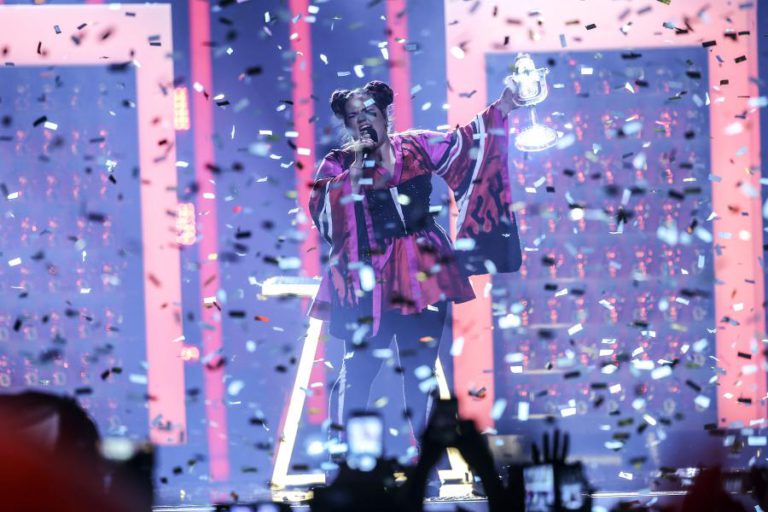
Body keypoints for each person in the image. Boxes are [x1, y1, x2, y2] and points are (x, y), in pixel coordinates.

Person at [307, 79, 522, 459]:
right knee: (358, 370)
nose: (363, 121)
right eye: (354, 116)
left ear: (385, 115)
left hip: (423, 273)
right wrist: (358, 168)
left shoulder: (417, 146)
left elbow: (466, 144)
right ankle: (349, 461)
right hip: (366, 280)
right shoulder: (339, 163)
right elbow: (325, 215)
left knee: (421, 371)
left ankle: (428, 466)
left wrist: (503, 106)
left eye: (370, 113)